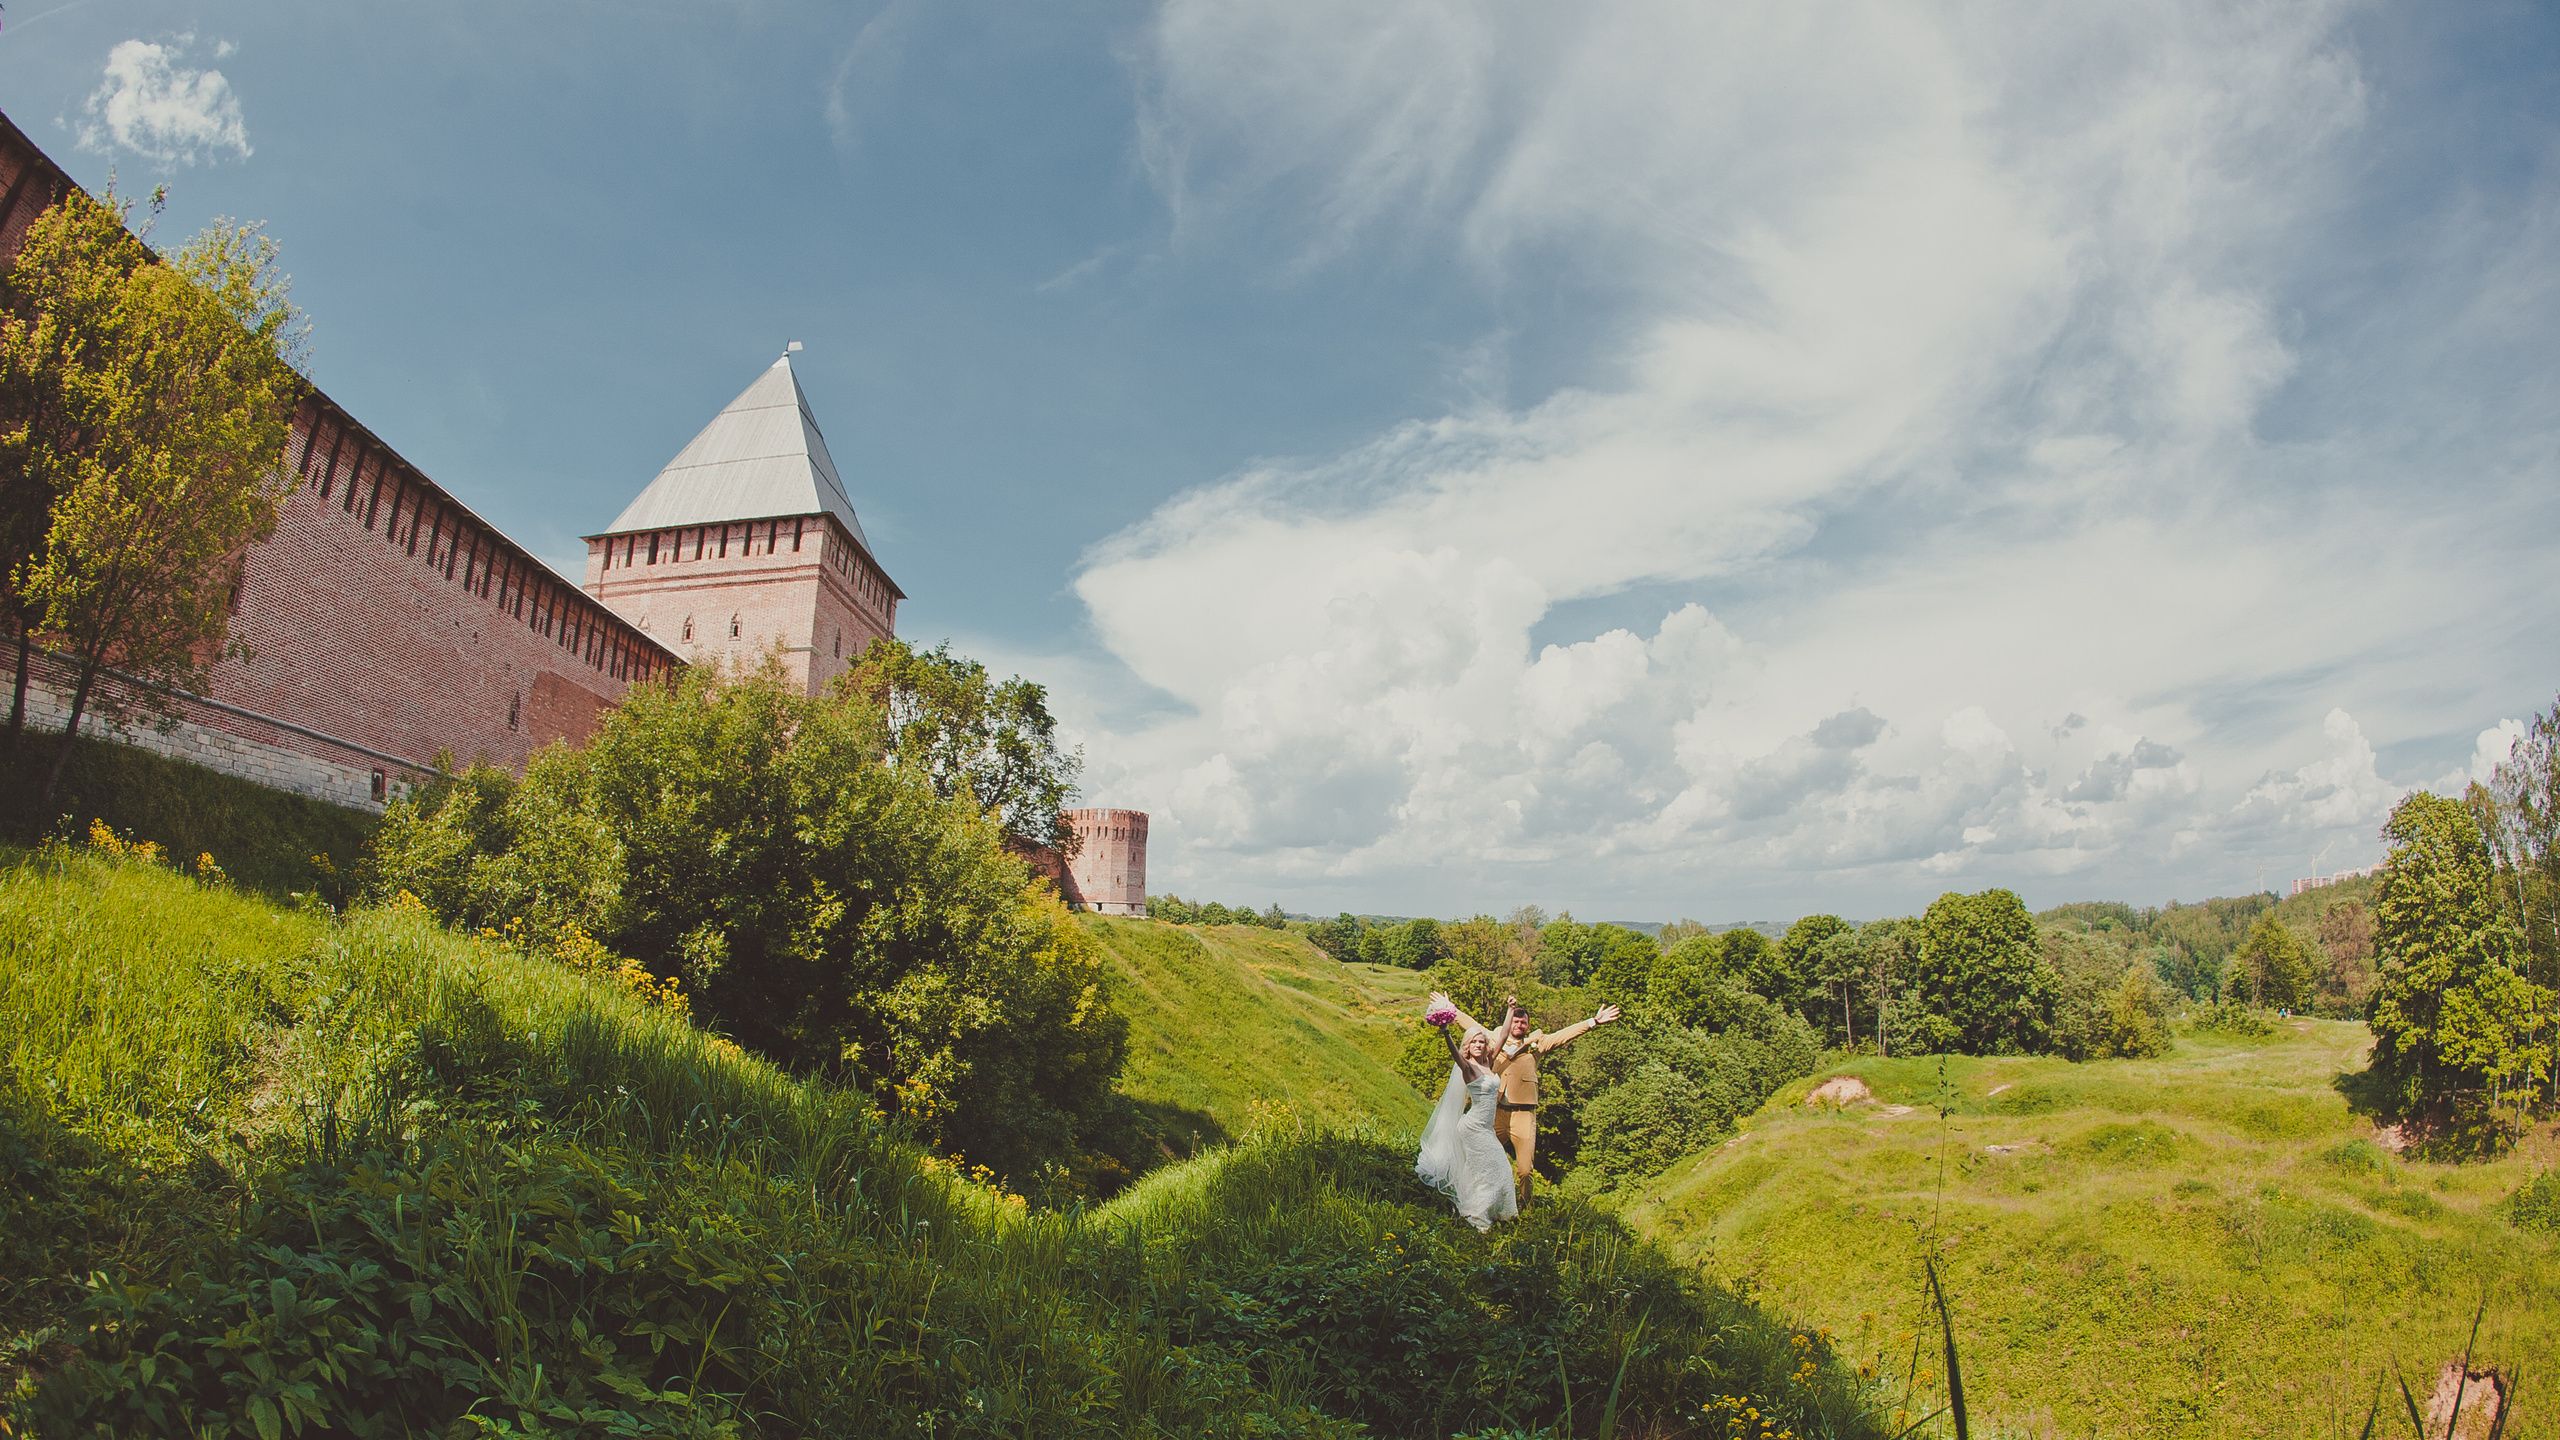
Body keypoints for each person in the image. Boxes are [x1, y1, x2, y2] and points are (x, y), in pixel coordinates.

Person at [1428, 991, 1619, 1210]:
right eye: (1516, 1021)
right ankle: (1476, 1200)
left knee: (1525, 1170)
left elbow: (1563, 1035)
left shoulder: (1537, 1044)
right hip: (1495, 1112)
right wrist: (1450, 1009)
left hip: (1524, 1114)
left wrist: (1593, 1021)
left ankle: (1524, 1208)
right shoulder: (1494, 1041)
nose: (1519, 1025)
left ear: (1528, 1026)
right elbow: (1472, 1026)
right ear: (1510, 1023)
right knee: (1480, 1159)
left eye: (1523, 1022)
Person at [1414, 1021, 1518, 1231]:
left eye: (1481, 1042)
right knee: (1497, 1167)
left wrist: (1510, 1009)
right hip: (1473, 1128)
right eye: (1473, 1042)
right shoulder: (1468, 1067)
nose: (1478, 1045)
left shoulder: (1488, 1062)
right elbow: (1454, 1052)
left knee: (1483, 1170)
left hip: (1485, 1128)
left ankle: (1492, 1212)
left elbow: (1503, 1035)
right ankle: (1478, 1217)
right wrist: (1445, 1030)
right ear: (1468, 1046)